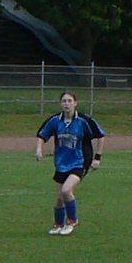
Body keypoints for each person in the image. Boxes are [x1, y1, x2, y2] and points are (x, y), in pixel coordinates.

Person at [33, 90, 105, 235]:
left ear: (75, 103)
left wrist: (97, 158)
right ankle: (58, 224)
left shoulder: (84, 120)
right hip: (61, 163)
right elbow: (42, 135)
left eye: (69, 101)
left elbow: (100, 136)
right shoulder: (55, 120)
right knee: (60, 197)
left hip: (80, 161)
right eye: (64, 101)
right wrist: (39, 150)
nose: (67, 104)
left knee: (66, 190)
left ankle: (72, 220)